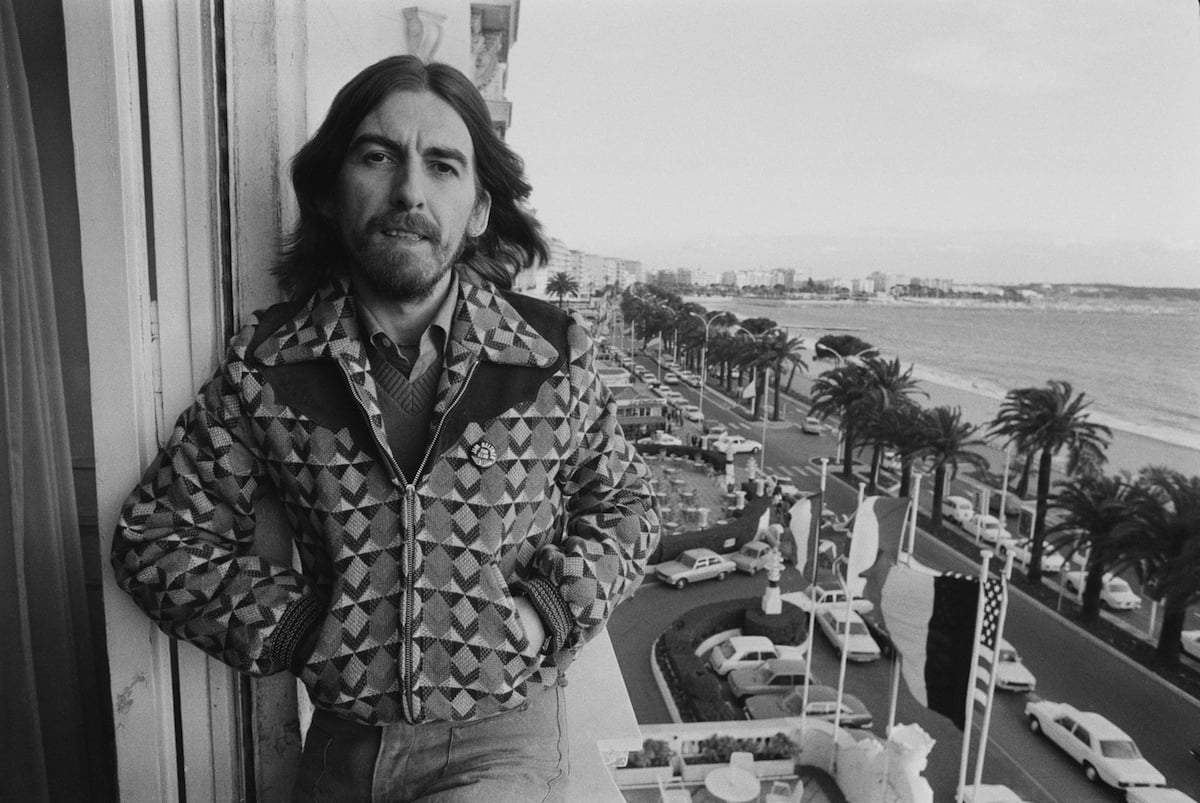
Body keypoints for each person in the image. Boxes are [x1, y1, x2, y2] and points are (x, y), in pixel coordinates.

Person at [110, 55, 660, 802]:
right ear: (333, 191)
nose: (408, 190)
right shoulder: (270, 364)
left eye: (442, 165)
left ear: (478, 209)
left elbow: (630, 504)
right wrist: (298, 623)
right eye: (378, 156)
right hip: (341, 749)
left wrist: (546, 608)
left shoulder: (549, 354)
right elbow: (154, 538)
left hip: (499, 741)